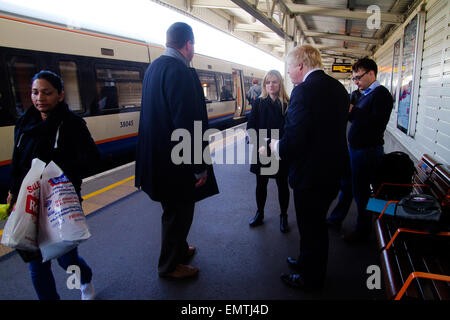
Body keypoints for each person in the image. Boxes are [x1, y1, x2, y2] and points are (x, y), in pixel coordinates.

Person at [135, 22, 218, 279]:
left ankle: (180, 250)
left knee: (174, 209)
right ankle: (169, 266)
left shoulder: (155, 68)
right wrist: (198, 167)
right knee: (178, 213)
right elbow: (188, 124)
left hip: (158, 159)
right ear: (189, 44)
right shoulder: (180, 71)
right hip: (176, 163)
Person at [6, 70, 99, 300]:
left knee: (66, 259)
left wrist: (56, 171)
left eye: (46, 93)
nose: (39, 98)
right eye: (35, 92)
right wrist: (12, 191)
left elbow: (93, 159)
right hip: (30, 202)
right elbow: (17, 161)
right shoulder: (24, 124)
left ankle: (84, 278)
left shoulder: (72, 124)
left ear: (60, 95)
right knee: (36, 265)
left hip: (60, 200)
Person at [268, 45, 350, 289]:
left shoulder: (303, 91)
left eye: (290, 67)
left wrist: (276, 146)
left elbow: (294, 139)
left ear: (301, 65)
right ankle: (306, 262)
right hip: (332, 172)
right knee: (314, 224)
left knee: (311, 227)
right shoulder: (339, 89)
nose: (289, 73)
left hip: (311, 175)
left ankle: (310, 278)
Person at [343, 58, 393, 242]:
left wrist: (353, 111)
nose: (356, 82)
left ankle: (363, 231)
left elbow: (376, 124)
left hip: (367, 151)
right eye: (354, 79)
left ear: (371, 73)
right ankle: (336, 219)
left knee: (362, 193)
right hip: (356, 150)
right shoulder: (363, 94)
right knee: (348, 186)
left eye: (358, 77)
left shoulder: (382, 95)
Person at [246, 70, 290, 233]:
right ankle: (260, 213)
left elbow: (290, 129)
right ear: (264, 85)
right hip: (262, 148)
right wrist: (259, 145)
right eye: (268, 82)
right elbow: (251, 127)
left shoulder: (287, 103)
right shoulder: (259, 103)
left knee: (282, 185)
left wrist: (279, 144)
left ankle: (284, 216)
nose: (271, 85)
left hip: (280, 149)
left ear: (280, 84)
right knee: (261, 185)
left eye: (274, 82)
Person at [326, 88, 362, 230]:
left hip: (355, 152)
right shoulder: (340, 114)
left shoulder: (378, 95)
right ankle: (335, 218)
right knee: (347, 186)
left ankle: (360, 228)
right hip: (347, 152)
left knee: (354, 188)